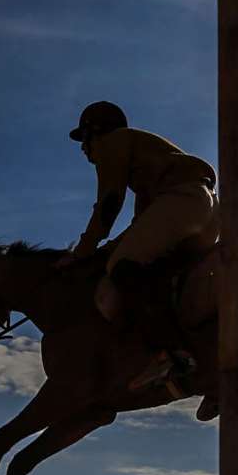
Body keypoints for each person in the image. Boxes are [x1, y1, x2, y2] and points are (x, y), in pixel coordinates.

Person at [57, 101, 220, 397]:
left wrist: (83, 251)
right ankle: (207, 360)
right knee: (158, 275)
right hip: (208, 211)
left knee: (121, 269)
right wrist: (107, 247)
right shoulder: (146, 164)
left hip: (184, 201)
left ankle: (169, 353)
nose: (83, 150)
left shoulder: (113, 143)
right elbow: (142, 224)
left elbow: (108, 203)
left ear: (96, 133)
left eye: (84, 140)